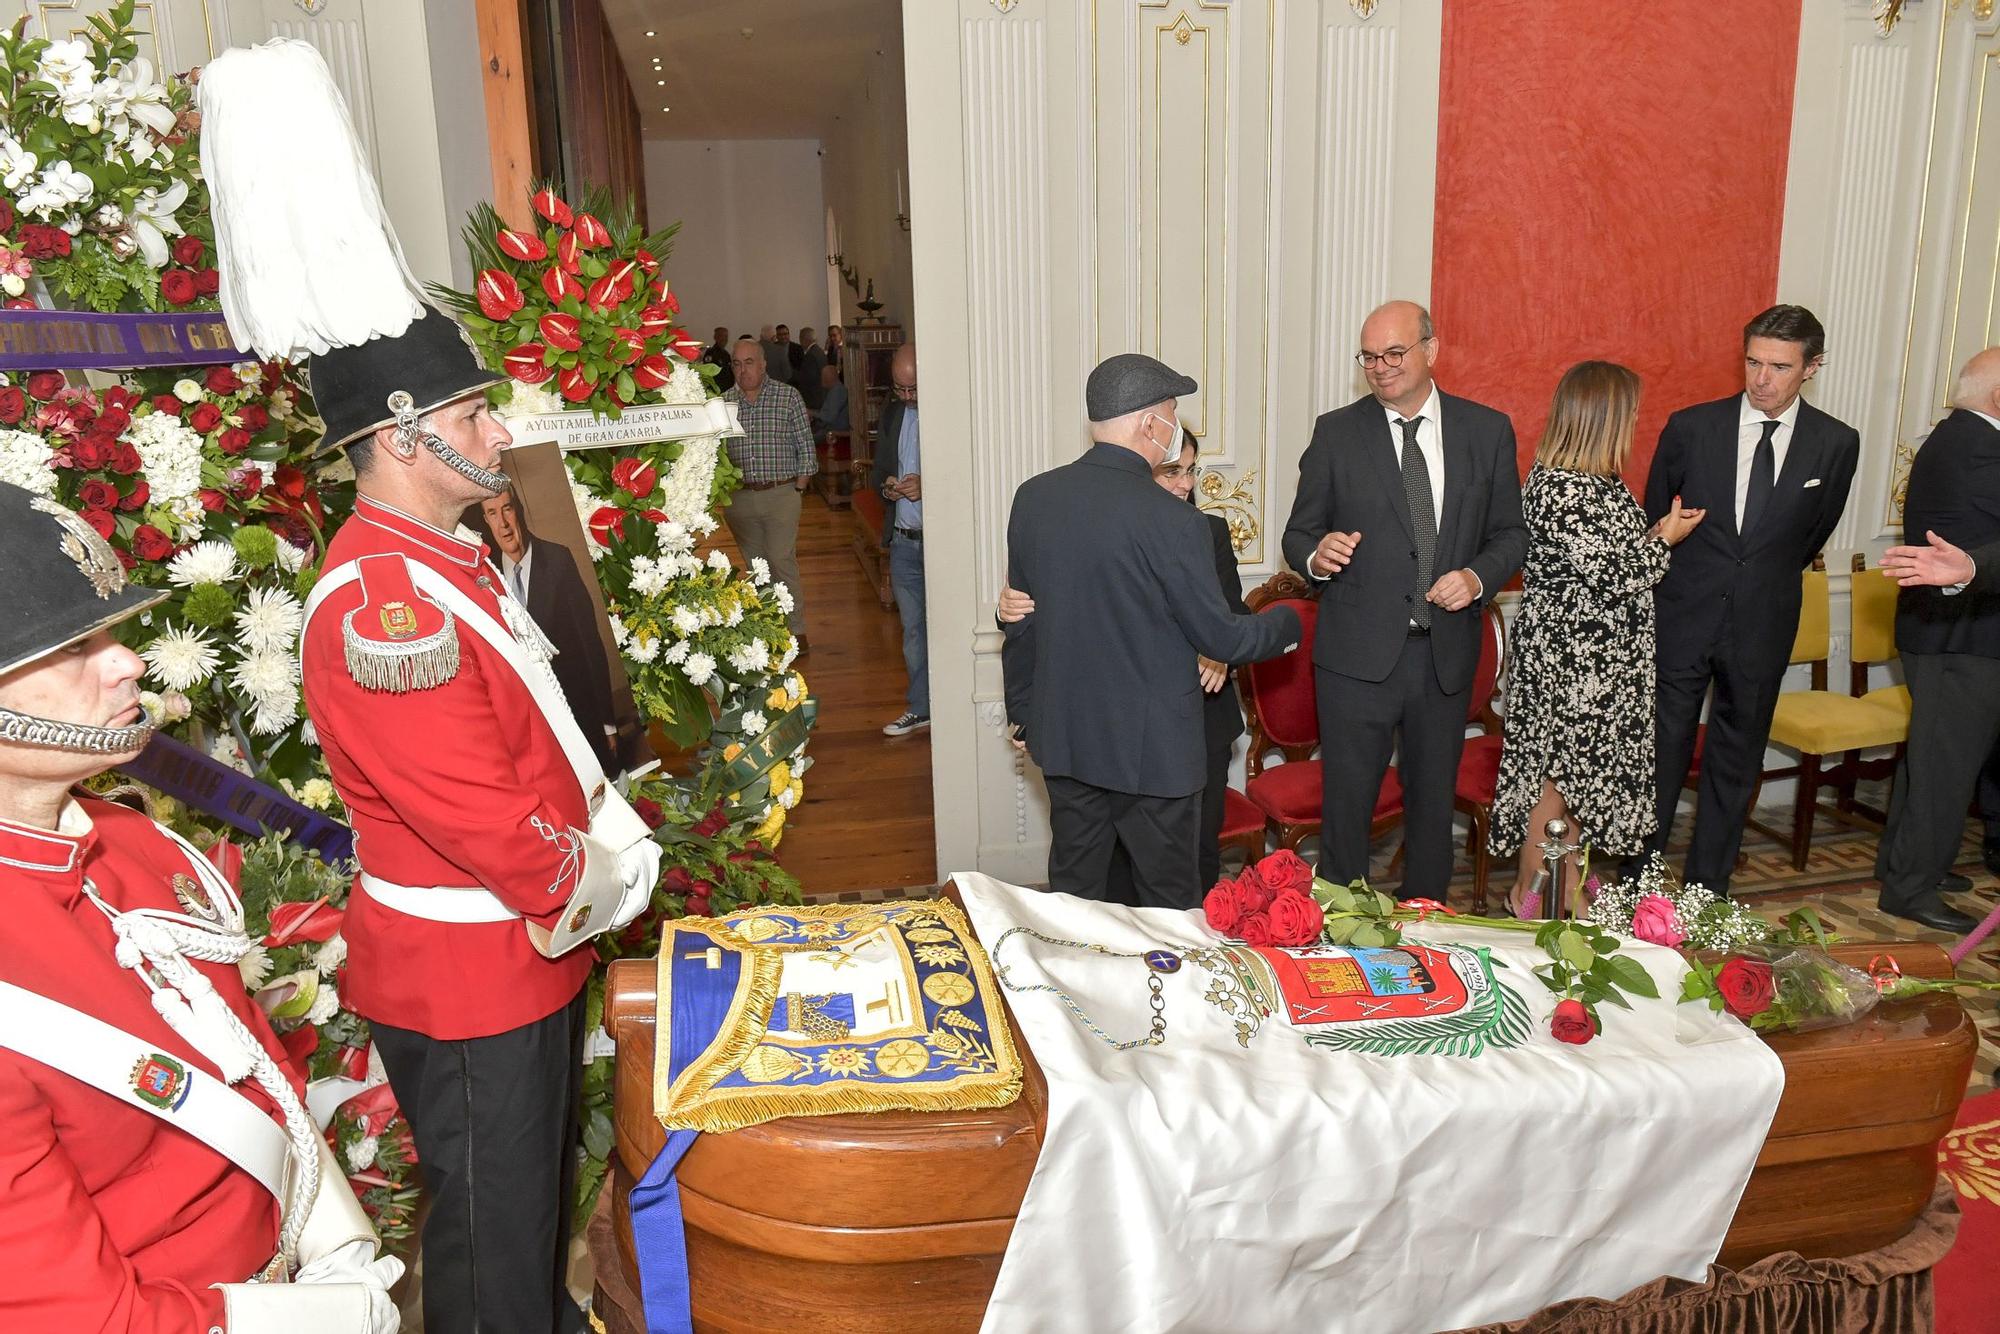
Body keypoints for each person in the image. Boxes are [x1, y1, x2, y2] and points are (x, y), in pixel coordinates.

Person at [201, 38, 662, 1334]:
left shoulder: (431, 554)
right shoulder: (380, 600)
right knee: (487, 1244)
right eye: (471, 417)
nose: (496, 433)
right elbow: (475, 801)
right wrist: (596, 874)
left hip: (512, 953)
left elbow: (529, 730)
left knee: (520, 1222)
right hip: (477, 962)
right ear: (401, 437)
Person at [0, 480, 401, 1330]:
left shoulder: (136, 845)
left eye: (110, 631)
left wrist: (337, 1243)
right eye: (76, 646)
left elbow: (252, 1062)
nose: (128, 661)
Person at [1002, 353, 1300, 909]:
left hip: (1065, 739)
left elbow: (1022, 620)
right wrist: (1287, 623)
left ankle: (1076, 994)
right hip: (1154, 756)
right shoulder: (1175, 523)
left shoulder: (1034, 498)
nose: (1173, 424)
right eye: (1171, 411)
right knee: (1168, 908)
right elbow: (1225, 640)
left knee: (1076, 901)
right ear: (1149, 423)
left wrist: (1022, 708)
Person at [1280, 300, 1528, 901]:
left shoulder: (1485, 430)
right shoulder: (1336, 432)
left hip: (1442, 656)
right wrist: (1319, 555)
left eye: (1394, 353)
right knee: (1346, 812)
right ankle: (1341, 940)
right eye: (1369, 357)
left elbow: (1511, 535)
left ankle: (1427, 932)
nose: (1380, 368)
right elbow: (1297, 535)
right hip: (1355, 660)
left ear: (1431, 350)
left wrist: (1475, 577)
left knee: (1431, 808)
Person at [1639, 305, 1859, 895]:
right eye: (1754, 361)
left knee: (1736, 760)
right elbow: (1656, 521)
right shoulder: (1692, 427)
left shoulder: (1836, 443)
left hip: (1762, 621)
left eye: (1780, 367)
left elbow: (1811, 535)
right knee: (1660, 753)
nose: (1762, 378)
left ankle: (1707, 889)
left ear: (1811, 368)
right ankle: (1637, 884)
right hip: (1683, 615)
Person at [1488, 363, 1705, 915]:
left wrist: (1655, 534)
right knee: (1555, 780)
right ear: (1602, 417)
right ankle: (1529, 895)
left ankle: (1563, 885)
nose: (1635, 422)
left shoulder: (1601, 481)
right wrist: (1668, 541)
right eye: (1629, 412)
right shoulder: (1559, 485)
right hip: (1570, 663)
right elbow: (1612, 574)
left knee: (1578, 783)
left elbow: (1611, 560)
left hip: (1604, 665)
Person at [1000, 436, 1246, 896]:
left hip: (1196, 725)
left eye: (1191, 471)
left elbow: (1232, 618)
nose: (1186, 483)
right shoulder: (1091, 523)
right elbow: (1073, 613)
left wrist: (1222, 653)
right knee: (1107, 874)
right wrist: (1010, 610)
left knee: (1192, 864)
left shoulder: (1205, 531)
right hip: (1107, 727)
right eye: (1172, 471)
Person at [1873, 347, 2000, 932]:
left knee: (1930, 756)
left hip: (1948, 630)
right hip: (1963, 636)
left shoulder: (1959, 436)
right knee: (1946, 765)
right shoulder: (1980, 448)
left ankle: (1905, 863)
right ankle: (1911, 887)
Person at [476, 485, 621, 777]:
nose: (502, 523)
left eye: (507, 509)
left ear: (519, 510)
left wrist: (607, 721)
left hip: (579, 715)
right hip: (527, 734)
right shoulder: (484, 577)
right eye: (492, 513)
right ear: (485, 521)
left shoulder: (558, 559)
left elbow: (589, 642)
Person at [723, 337, 816, 650]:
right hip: (740, 499)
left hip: (781, 494)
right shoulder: (723, 405)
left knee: (781, 559)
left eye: (749, 362)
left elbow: (806, 445)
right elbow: (717, 455)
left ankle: (795, 629)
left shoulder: (787, 397)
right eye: (737, 363)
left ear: (763, 365)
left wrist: (798, 488)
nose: (743, 370)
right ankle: (767, 630)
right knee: (756, 566)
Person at [873, 342, 928, 735]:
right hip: (904, 541)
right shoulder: (894, 414)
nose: (907, 397)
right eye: (899, 389)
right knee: (912, 633)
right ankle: (921, 707)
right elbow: (879, 471)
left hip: (940, 542)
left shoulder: (946, 413)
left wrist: (929, 485)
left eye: (913, 389)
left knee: (947, 627)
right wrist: (888, 487)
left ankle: (953, 705)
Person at [813, 363, 850, 440]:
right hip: (828, 428)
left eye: (823, 376)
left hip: (833, 431)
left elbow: (829, 417)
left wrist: (812, 413)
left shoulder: (837, 392)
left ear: (829, 378)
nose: (821, 379)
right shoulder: (834, 390)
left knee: (806, 440)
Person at [797, 327, 828, 410]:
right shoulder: (820, 351)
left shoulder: (810, 355)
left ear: (804, 339)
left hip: (814, 398)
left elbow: (809, 379)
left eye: (800, 338)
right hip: (822, 395)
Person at [704, 326, 734, 392]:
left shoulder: (726, 354)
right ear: (715, 337)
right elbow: (708, 373)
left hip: (727, 389)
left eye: (726, 336)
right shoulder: (711, 353)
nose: (724, 339)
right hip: (716, 389)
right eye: (721, 336)